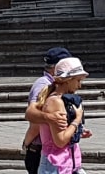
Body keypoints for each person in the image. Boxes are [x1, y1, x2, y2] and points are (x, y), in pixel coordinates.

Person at [34, 56, 91, 174]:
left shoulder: (62, 100)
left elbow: (61, 133)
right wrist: (77, 120)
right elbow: (60, 141)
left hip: (67, 164)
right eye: (78, 80)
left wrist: (77, 132)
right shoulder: (55, 102)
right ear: (68, 79)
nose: (79, 86)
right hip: (56, 166)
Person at [22, 46, 75, 174]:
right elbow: (33, 116)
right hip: (41, 149)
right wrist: (27, 144)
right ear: (55, 67)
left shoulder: (58, 87)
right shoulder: (43, 84)